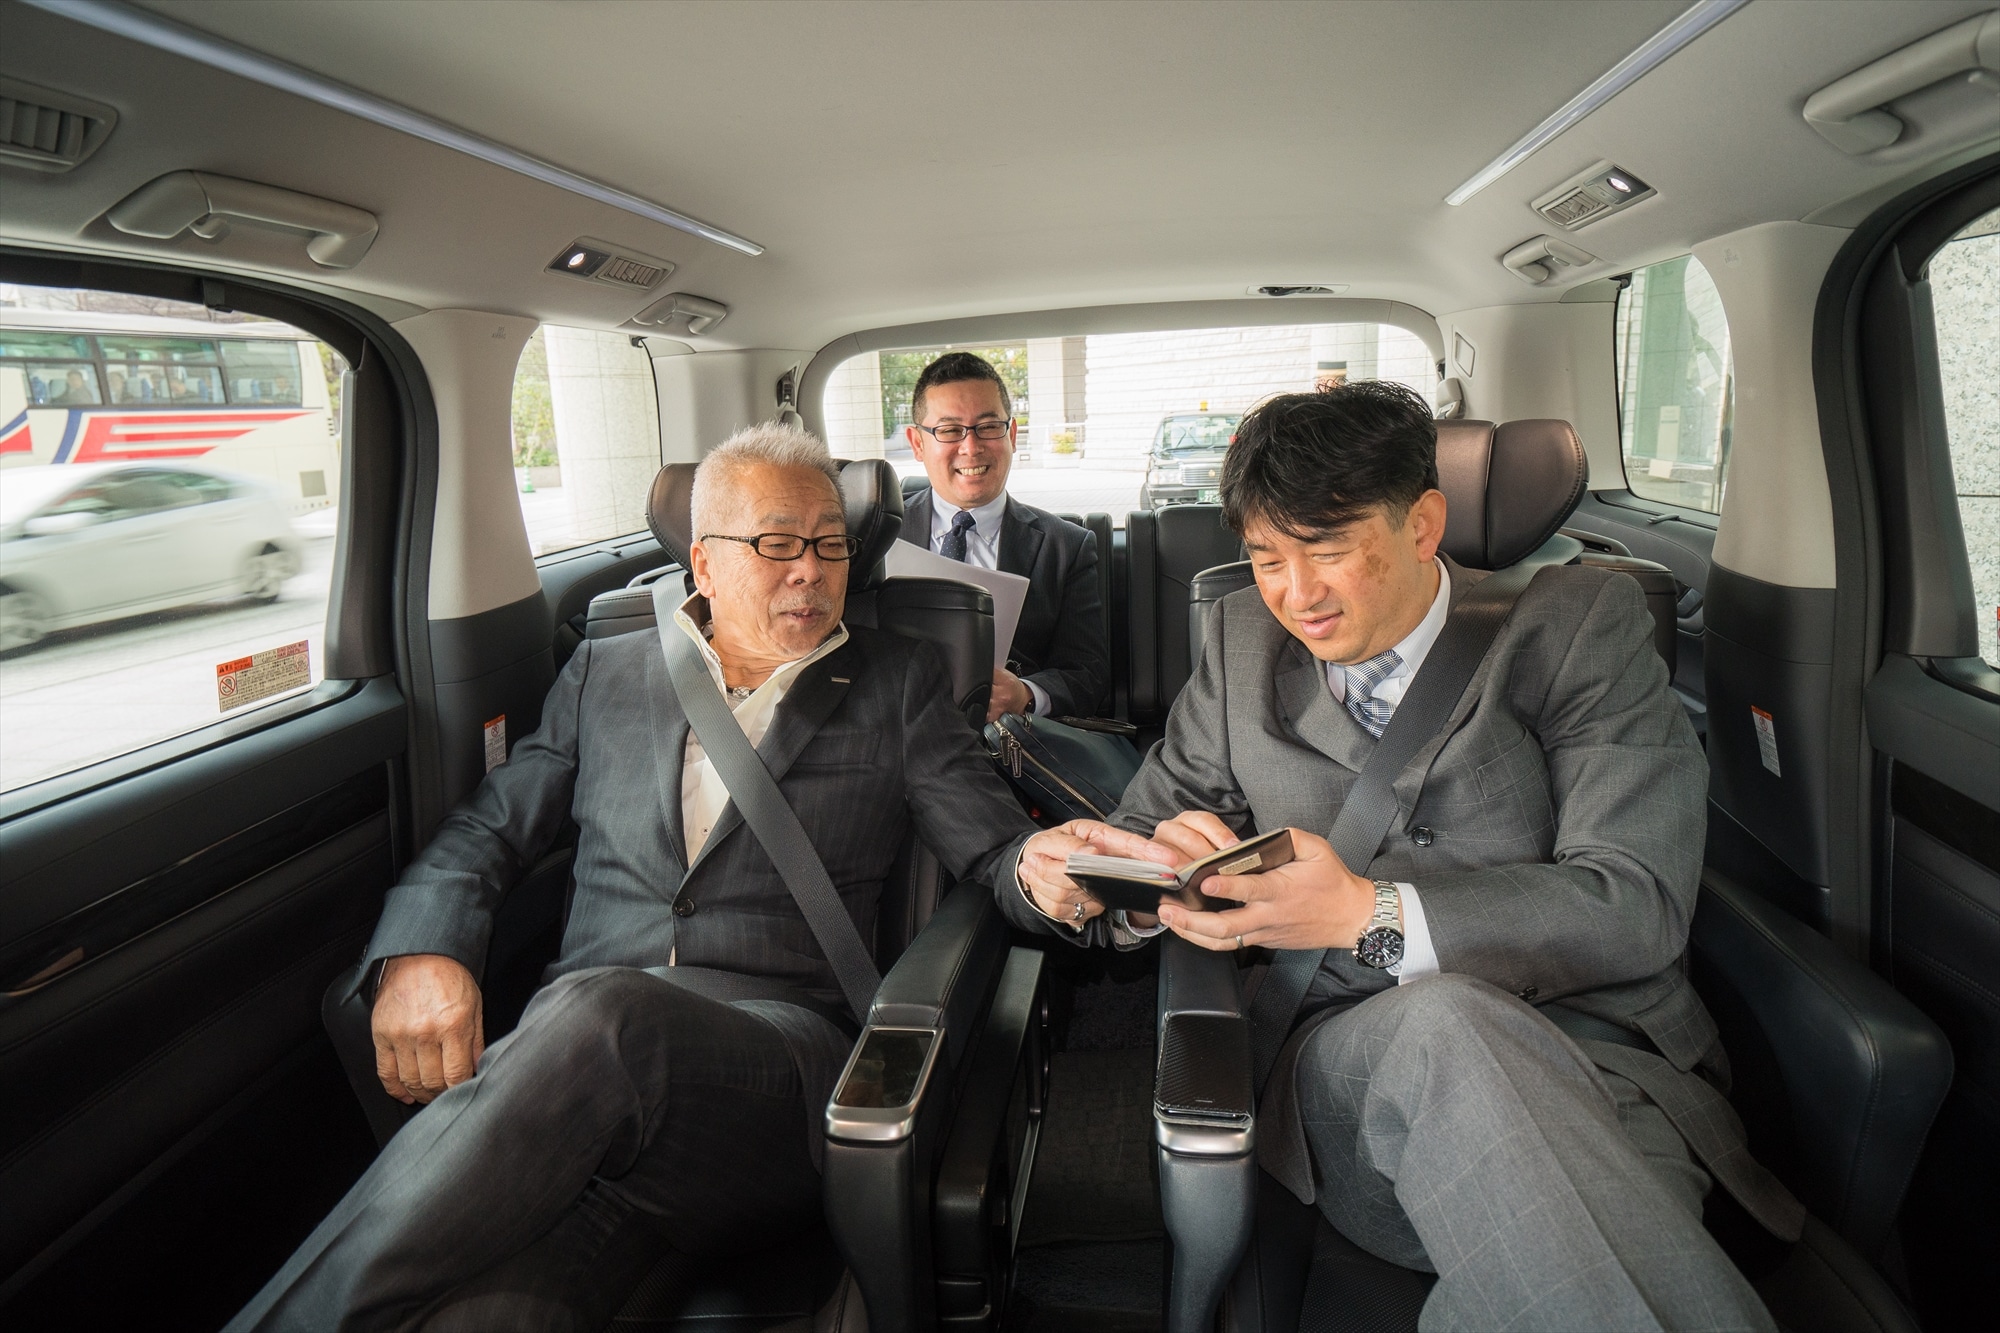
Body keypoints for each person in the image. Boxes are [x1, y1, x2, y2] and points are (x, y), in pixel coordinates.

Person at [229, 424, 1163, 1330]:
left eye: (830, 545)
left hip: (776, 1070)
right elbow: (490, 827)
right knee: (484, 1308)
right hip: (582, 1096)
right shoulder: (606, 668)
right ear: (704, 563)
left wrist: (1044, 869)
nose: (810, 570)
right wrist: (423, 946)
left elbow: (992, 850)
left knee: (603, 1015)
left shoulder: (900, 679)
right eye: (777, 543)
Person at [1008, 383, 1797, 1330]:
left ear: (1423, 524)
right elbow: (1146, 831)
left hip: (1600, 1059)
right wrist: (1121, 878)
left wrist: (1366, 913)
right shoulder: (1240, 638)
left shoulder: (1581, 624)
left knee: (1554, 1277)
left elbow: (1634, 901)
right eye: (1265, 557)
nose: (1296, 594)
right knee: (1447, 1035)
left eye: (1328, 551)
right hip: (1353, 1074)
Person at [898, 351, 1111, 722]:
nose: (971, 447)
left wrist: (1024, 695)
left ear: (1011, 435)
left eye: (988, 426)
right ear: (918, 443)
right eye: (950, 431)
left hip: (1004, 743)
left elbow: (1087, 675)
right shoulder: (876, 534)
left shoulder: (1066, 547)